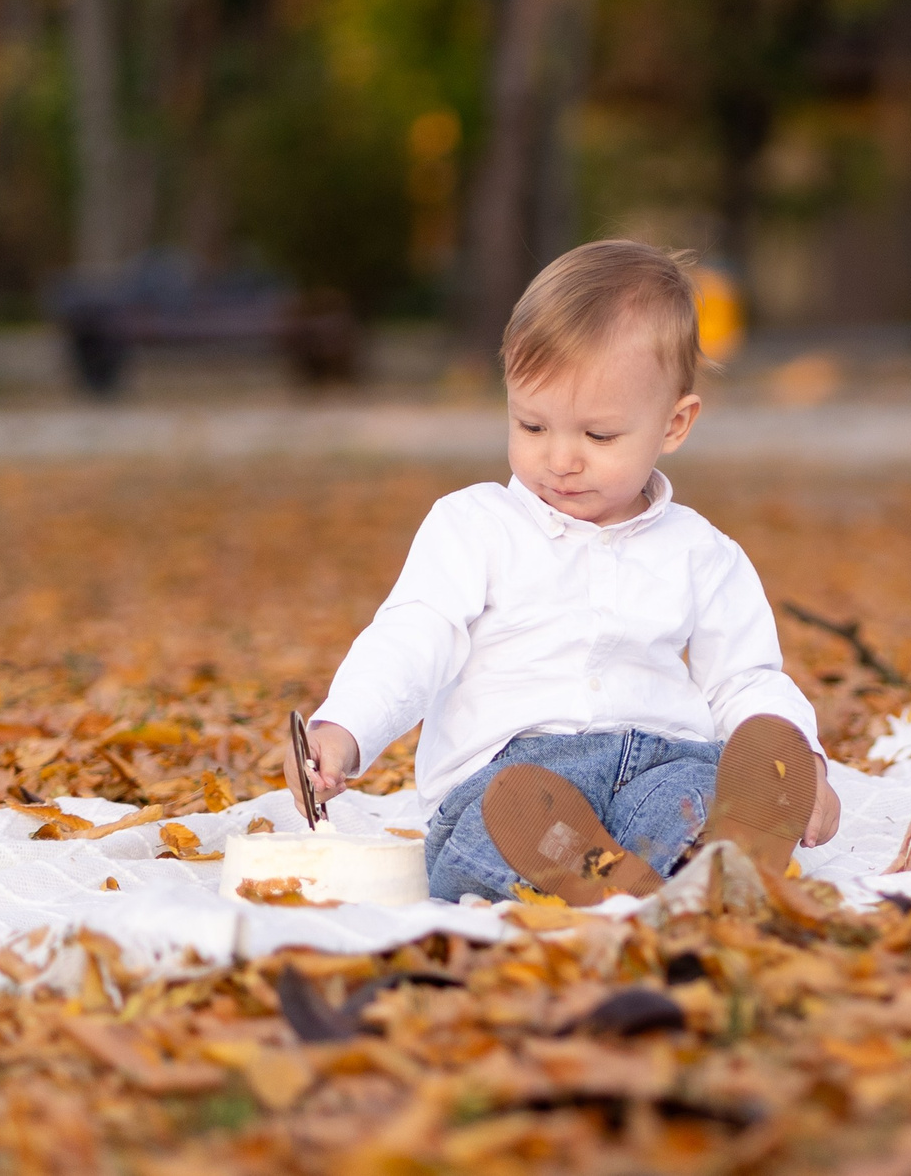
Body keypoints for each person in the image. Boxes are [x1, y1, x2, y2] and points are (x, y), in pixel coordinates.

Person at [302, 239, 840, 904]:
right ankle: (612, 874)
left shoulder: (702, 552)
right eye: (532, 425)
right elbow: (415, 633)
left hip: (657, 761)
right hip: (513, 777)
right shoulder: (474, 525)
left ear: (674, 424)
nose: (560, 458)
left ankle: (714, 858)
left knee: (703, 784)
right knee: (489, 830)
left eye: (598, 436)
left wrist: (801, 758)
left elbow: (746, 676)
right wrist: (347, 726)